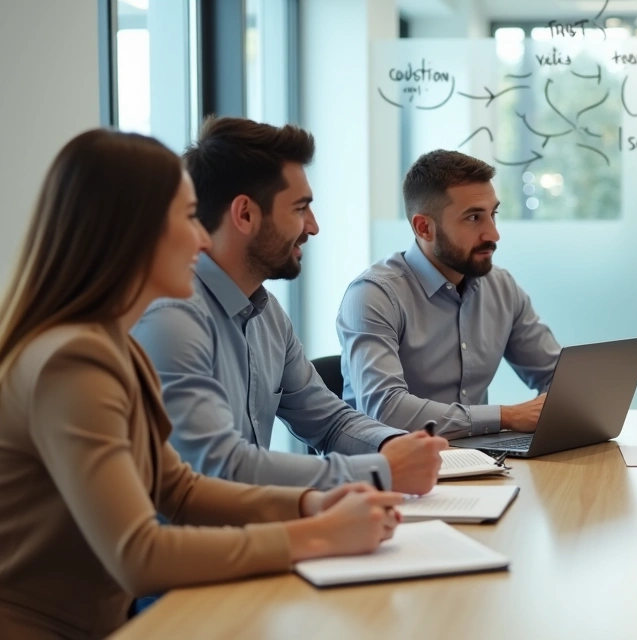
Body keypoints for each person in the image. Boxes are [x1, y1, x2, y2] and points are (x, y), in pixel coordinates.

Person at [0, 130, 403, 638]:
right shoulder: (73, 360)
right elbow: (138, 554)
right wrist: (314, 535)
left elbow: (180, 490)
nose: (201, 238)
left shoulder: (115, 345)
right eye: (187, 217)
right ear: (131, 231)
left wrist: (309, 504)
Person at [131, 117, 445, 492]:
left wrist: (396, 447)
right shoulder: (172, 320)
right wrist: (379, 471)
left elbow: (331, 422)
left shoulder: (267, 314)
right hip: (202, 544)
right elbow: (219, 467)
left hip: (252, 531)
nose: (313, 227)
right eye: (300, 209)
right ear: (245, 214)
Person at [336, 150, 560, 440]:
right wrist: (508, 416)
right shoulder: (374, 295)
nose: (493, 234)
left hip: (478, 463)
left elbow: (555, 376)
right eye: (474, 218)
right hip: (387, 473)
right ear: (424, 227)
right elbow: (385, 408)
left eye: (493, 214)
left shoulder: (501, 287)